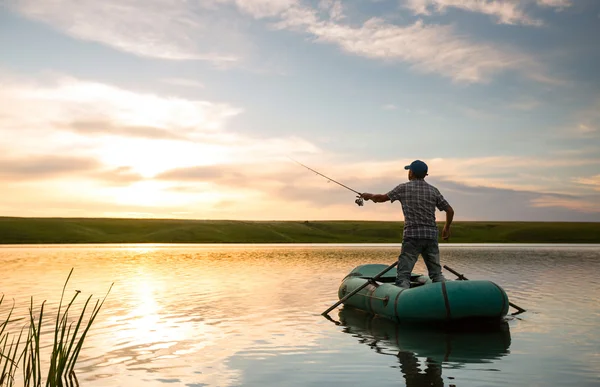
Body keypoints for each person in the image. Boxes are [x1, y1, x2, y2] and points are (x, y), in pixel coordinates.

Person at [359, 160, 454, 289]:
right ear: (425, 175)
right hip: (431, 236)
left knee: (403, 275)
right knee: (436, 274)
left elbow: (380, 198)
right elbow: (449, 210)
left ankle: (401, 297)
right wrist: (446, 228)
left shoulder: (403, 188)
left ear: (412, 173)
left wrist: (368, 196)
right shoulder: (434, 190)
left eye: (409, 171)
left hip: (412, 237)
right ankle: (446, 294)